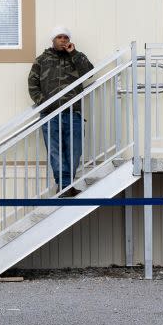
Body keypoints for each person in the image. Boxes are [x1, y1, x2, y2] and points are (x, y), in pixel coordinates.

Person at [27, 26, 94, 197]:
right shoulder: (41, 60)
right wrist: (45, 104)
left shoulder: (77, 57)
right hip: (50, 114)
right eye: (59, 37)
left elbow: (89, 73)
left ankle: (65, 186)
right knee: (56, 152)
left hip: (73, 113)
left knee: (75, 150)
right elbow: (33, 85)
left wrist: (75, 54)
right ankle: (65, 186)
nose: (63, 40)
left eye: (66, 37)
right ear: (53, 40)